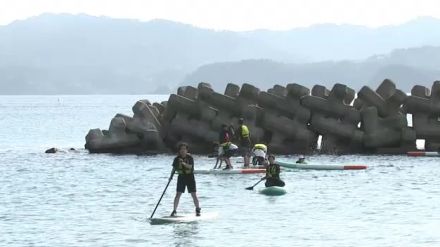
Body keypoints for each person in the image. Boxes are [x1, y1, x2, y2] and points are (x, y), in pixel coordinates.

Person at [170, 143, 201, 217]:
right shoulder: (176, 159)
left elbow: (190, 167)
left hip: (190, 177)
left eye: (184, 149)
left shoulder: (190, 158)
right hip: (181, 177)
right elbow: (174, 168)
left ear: (187, 150)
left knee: (193, 194)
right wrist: (170, 177)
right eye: (181, 149)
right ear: (179, 150)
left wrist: (183, 163)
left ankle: (197, 209)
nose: (183, 150)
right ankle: (174, 210)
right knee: (178, 194)